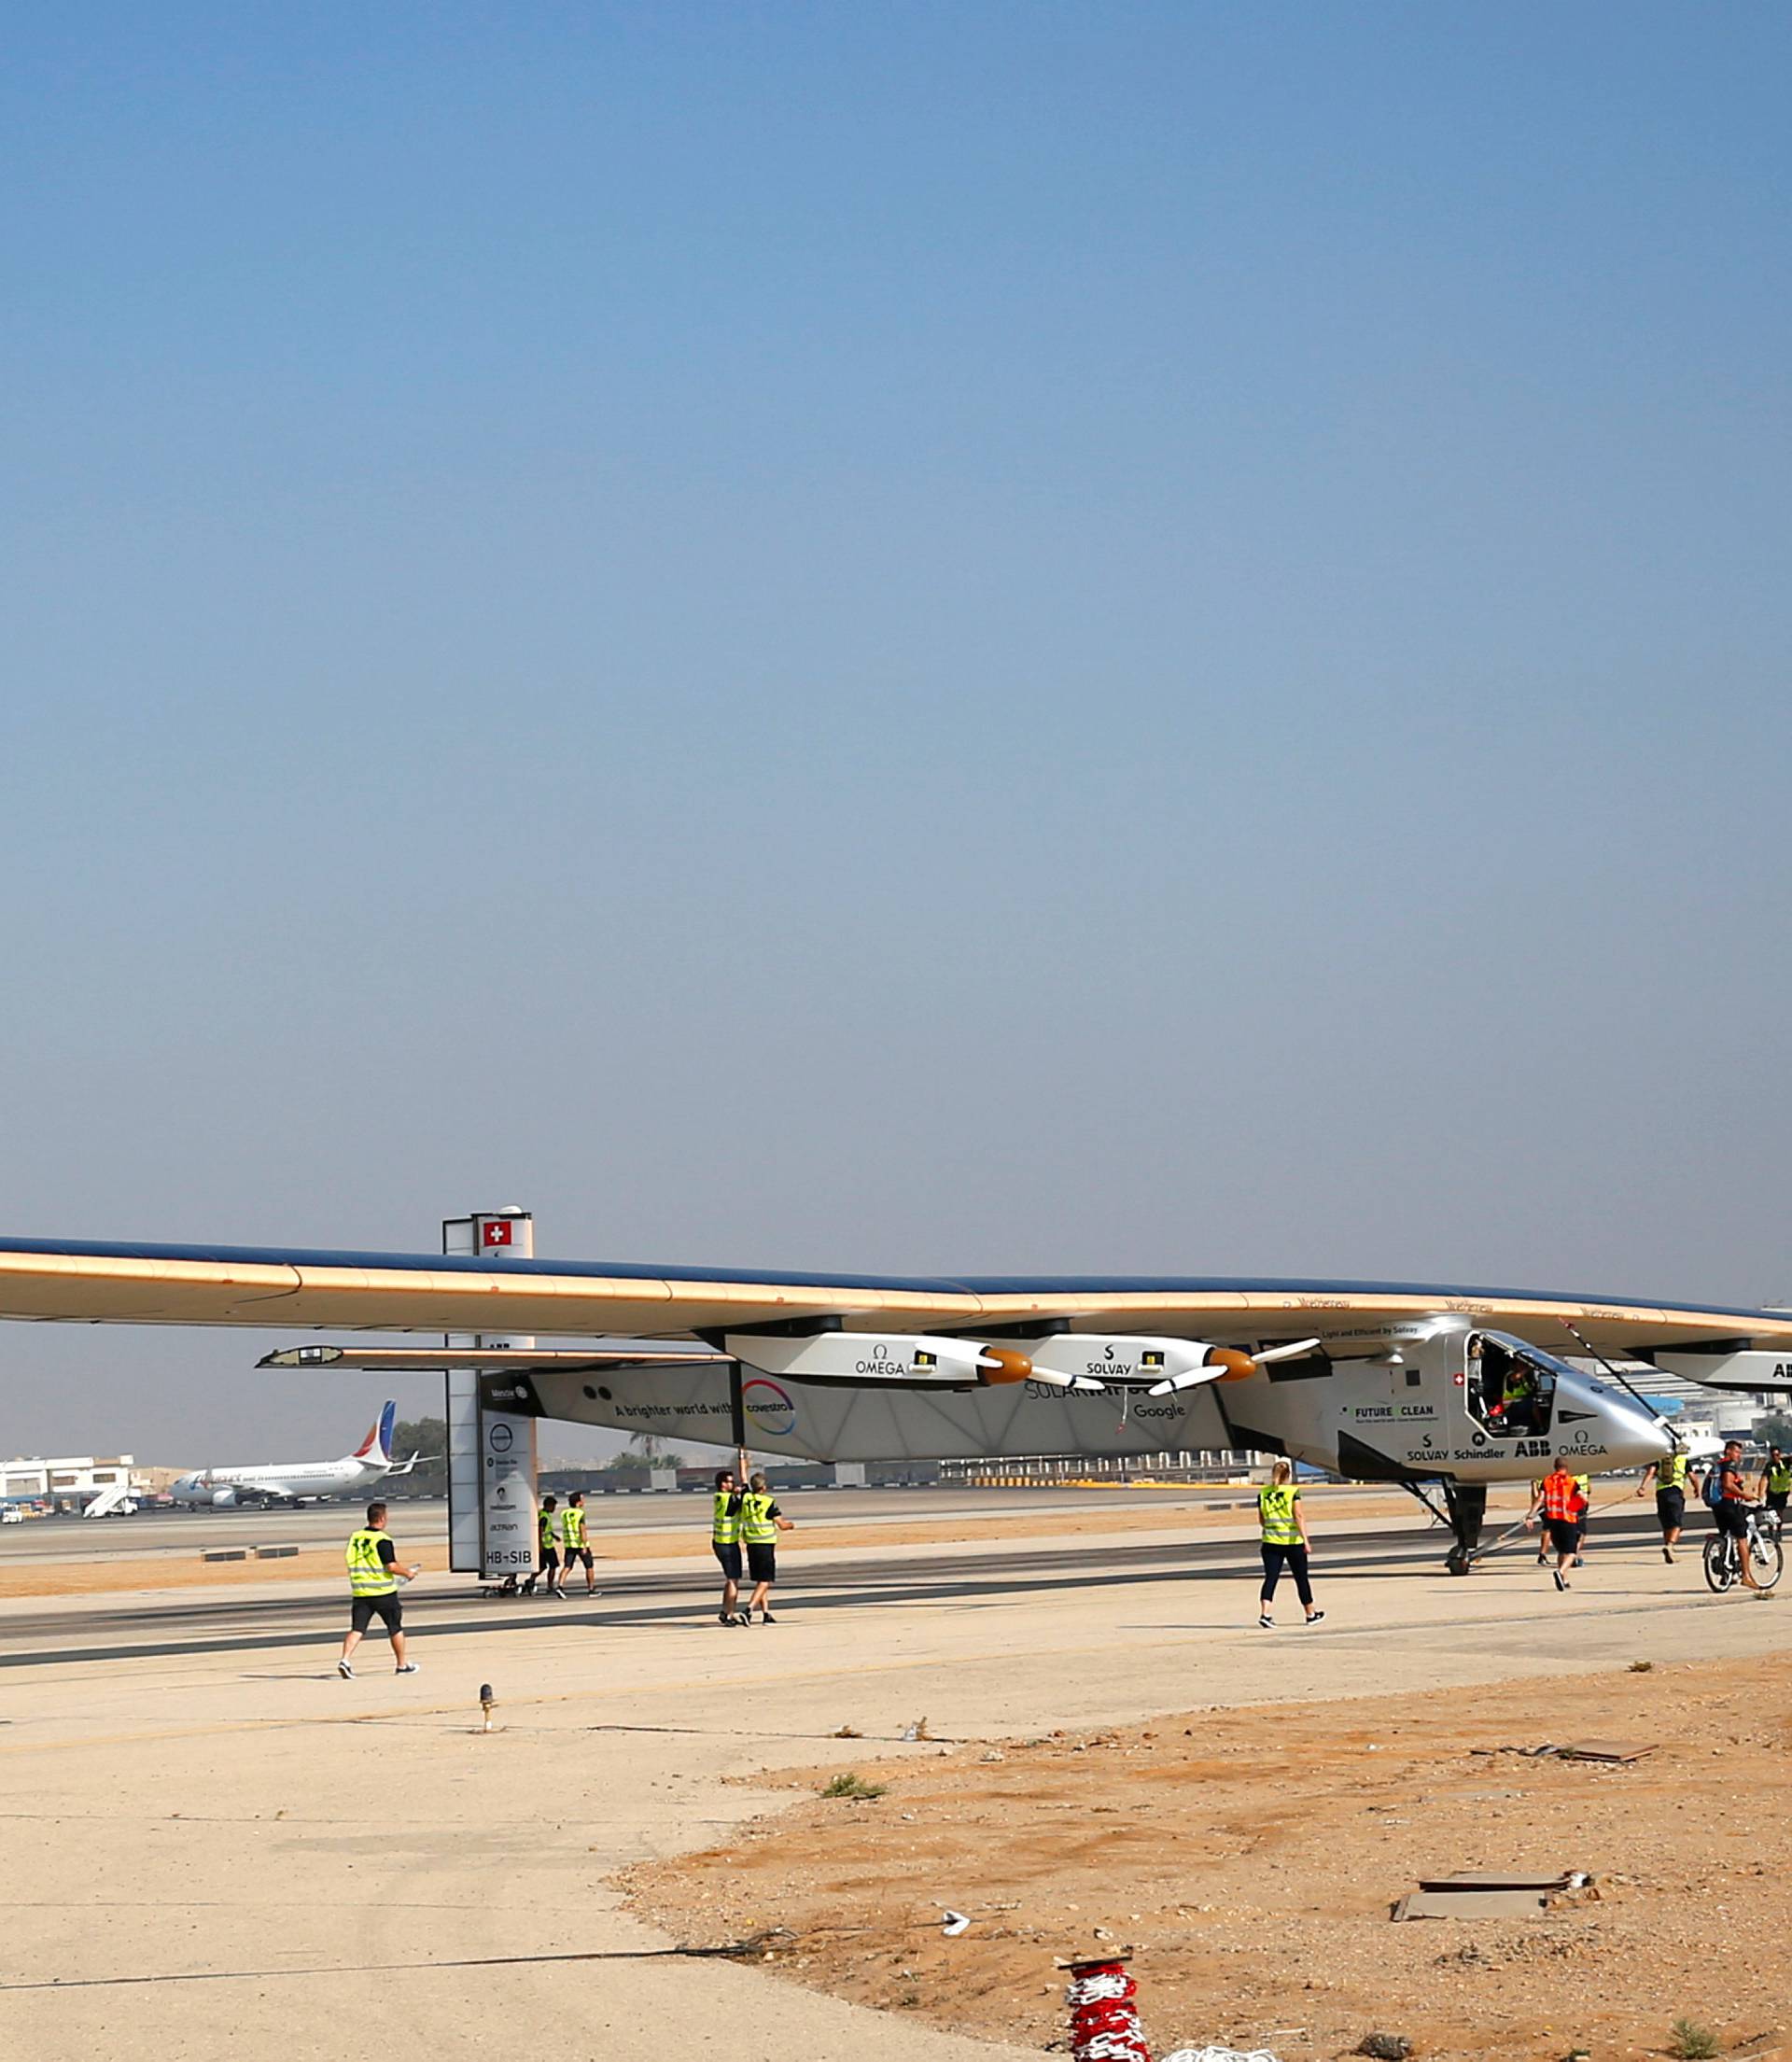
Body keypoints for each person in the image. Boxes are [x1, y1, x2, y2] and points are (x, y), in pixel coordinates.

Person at [338, 1501, 421, 1678]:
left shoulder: (356, 1538)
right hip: (383, 1592)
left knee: (357, 1628)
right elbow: (391, 1566)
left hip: (361, 1591)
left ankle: (345, 1659)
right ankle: (401, 1664)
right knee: (395, 1628)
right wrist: (407, 1573)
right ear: (382, 1518)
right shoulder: (382, 1540)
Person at [1255, 1459, 1324, 1628]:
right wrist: (1306, 1540)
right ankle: (1310, 1613)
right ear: (1288, 1475)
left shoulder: (1263, 1493)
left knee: (1270, 1578)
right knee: (1301, 1578)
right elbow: (1298, 1516)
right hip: (1292, 1541)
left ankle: (1265, 1613)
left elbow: (1261, 1519)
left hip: (1270, 1541)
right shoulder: (1292, 1492)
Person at [738, 1470, 794, 1624]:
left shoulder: (746, 1497)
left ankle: (766, 1613)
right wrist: (790, 1525)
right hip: (764, 1544)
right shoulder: (768, 1502)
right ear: (764, 1488)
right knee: (765, 1581)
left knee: (760, 1581)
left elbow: (743, 1477)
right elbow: (781, 1525)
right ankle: (748, 1610)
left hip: (751, 1544)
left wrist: (742, 1453)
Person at [1711, 1439, 1766, 1594]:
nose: (1739, 1456)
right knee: (1741, 1539)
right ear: (1728, 1451)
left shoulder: (1719, 1464)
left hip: (1718, 1506)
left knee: (1726, 1537)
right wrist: (1745, 1495)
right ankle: (1746, 1576)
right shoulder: (1729, 1464)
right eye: (1737, 1452)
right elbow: (1728, 1484)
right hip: (1730, 1504)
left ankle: (1726, 1573)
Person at [1525, 1463, 1580, 1591]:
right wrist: (1575, 1509)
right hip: (1568, 1519)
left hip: (1552, 1520)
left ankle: (1564, 1580)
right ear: (1566, 1468)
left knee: (1561, 1551)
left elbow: (1540, 1499)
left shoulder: (1547, 1481)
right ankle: (1560, 1571)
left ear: (1554, 1467)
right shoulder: (1571, 1482)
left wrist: (1530, 1515)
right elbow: (1581, 1498)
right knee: (1571, 1552)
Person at [1635, 1447, 1691, 1562]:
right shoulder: (1682, 1460)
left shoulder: (1659, 1458)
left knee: (1666, 1524)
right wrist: (1697, 1489)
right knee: (1676, 1524)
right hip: (1675, 1491)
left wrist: (1642, 1488)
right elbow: (1692, 1477)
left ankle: (1668, 1549)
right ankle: (1670, 1546)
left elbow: (1650, 1472)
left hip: (1661, 1493)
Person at [711, 1464, 746, 1625]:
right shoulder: (726, 1499)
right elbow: (742, 1503)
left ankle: (725, 1611)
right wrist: (743, 1491)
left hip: (720, 1542)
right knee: (733, 1579)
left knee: (730, 1579)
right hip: (727, 1543)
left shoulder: (719, 1496)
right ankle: (730, 1614)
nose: (733, 1485)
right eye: (730, 1482)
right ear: (723, 1484)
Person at [559, 1489, 597, 1596]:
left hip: (569, 1544)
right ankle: (591, 1589)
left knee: (567, 1566)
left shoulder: (564, 1513)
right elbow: (582, 1530)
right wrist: (584, 1545)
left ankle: (560, 1586)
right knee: (589, 1566)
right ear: (578, 1502)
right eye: (582, 1500)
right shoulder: (580, 1513)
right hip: (579, 1544)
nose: (584, 1502)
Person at [1757, 1446, 1791, 1529]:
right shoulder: (1769, 1465)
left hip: (1783, 1492)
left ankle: (1778, 1530)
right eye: (1773, 1455)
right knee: (1770, 1513)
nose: (1775, 1457)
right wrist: (1760, 1493)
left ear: (1780, 1455)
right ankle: (1771, 1531)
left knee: (1779, 1512)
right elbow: (1764, 1479)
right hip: (1771, 1492)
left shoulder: (1786, 1462)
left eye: (1777, 1455)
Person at [535, 1494, 561, 1599]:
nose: (554, 1509)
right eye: (553, 1506)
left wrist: (554, 1536)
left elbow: (547, 1530)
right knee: (553, 1566)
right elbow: (540, 1530)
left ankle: (531, 1580)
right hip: (546, 1546)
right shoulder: (544, 1517)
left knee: (542, 1566)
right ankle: (550, 1586)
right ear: (549, 1506)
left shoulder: (541, 1514)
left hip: (546, 1543)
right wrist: (540, 1545)